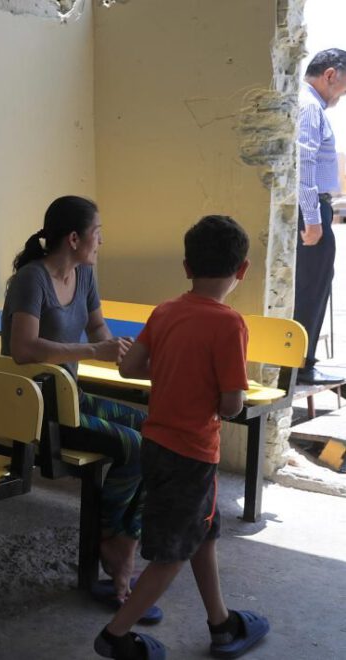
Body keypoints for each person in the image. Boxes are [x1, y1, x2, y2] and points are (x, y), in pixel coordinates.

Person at [94, 215, 270, 659]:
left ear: (186, 267)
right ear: (243, 270)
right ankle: (115, 636)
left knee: (199, 533)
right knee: (171, 553)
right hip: (193, 454)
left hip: (156, 446)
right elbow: (230, 403)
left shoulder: (166, 311)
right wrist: (219, 396)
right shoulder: (230, 324)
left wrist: (174, 375)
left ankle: (222, 624)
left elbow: (130, 367)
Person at [3, 196, 149, 609]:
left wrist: (123, 350)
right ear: (74, 238)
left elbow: (98, 327)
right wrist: (91, 352)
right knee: (135, 445)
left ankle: (124, 539)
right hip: (34, 408)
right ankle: (110, 538)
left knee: (157, 431)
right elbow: (23, 349)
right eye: (97, 233)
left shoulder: (84, 275)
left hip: (69, 398)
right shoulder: (31, 279)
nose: (101, 241)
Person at [295, 49, 346, 385]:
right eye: (343, 87)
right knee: (311, 289)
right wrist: (313, 219)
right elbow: (305, 163)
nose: (342, 96)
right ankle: (301, 364)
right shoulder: (311, 106)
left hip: (315, 209)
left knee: (316, 286)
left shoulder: (309, 105)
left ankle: (303, 361)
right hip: (311, 211)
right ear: (330, 75)